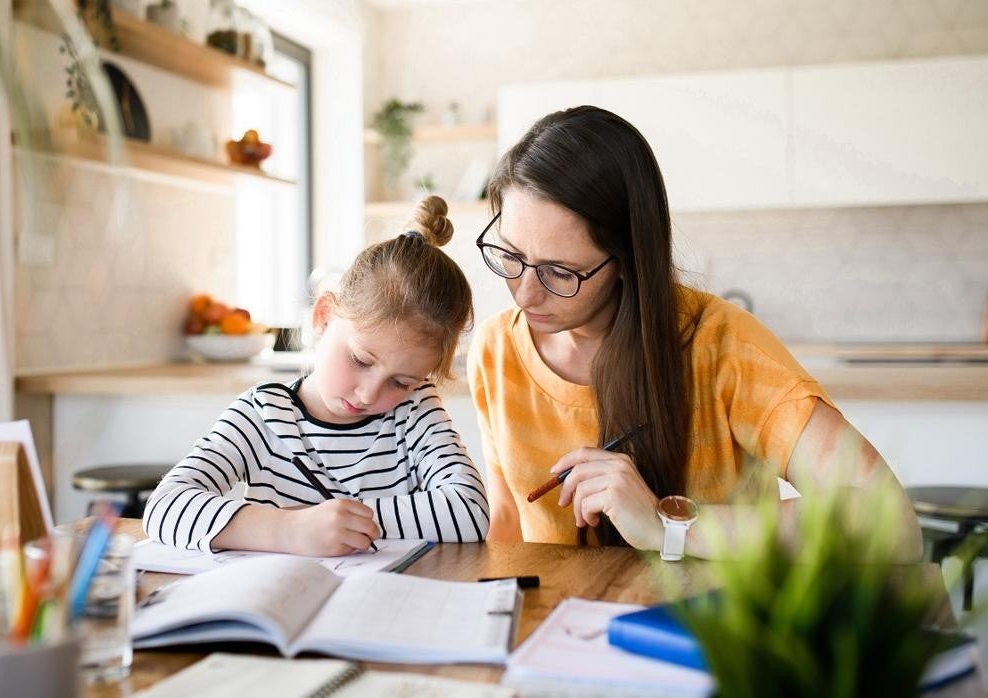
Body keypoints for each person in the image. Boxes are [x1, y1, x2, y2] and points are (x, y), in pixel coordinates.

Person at [467, 106, 921, 560]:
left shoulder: (722, 346)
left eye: (560, 272)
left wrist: (668, 525)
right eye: (509, 254)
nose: (524, 295)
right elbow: (507, 530)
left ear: (626, 260)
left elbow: (891, 523)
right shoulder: (494, 350)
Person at [144, 196, 489, 556]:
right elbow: (165, 506)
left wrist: (338, 522)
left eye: (400, 382)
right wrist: (289, 529)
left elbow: (471, 510)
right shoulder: (263, 415)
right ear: (324, 317)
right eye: (360, 360)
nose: (370, 395)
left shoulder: (415, 411)